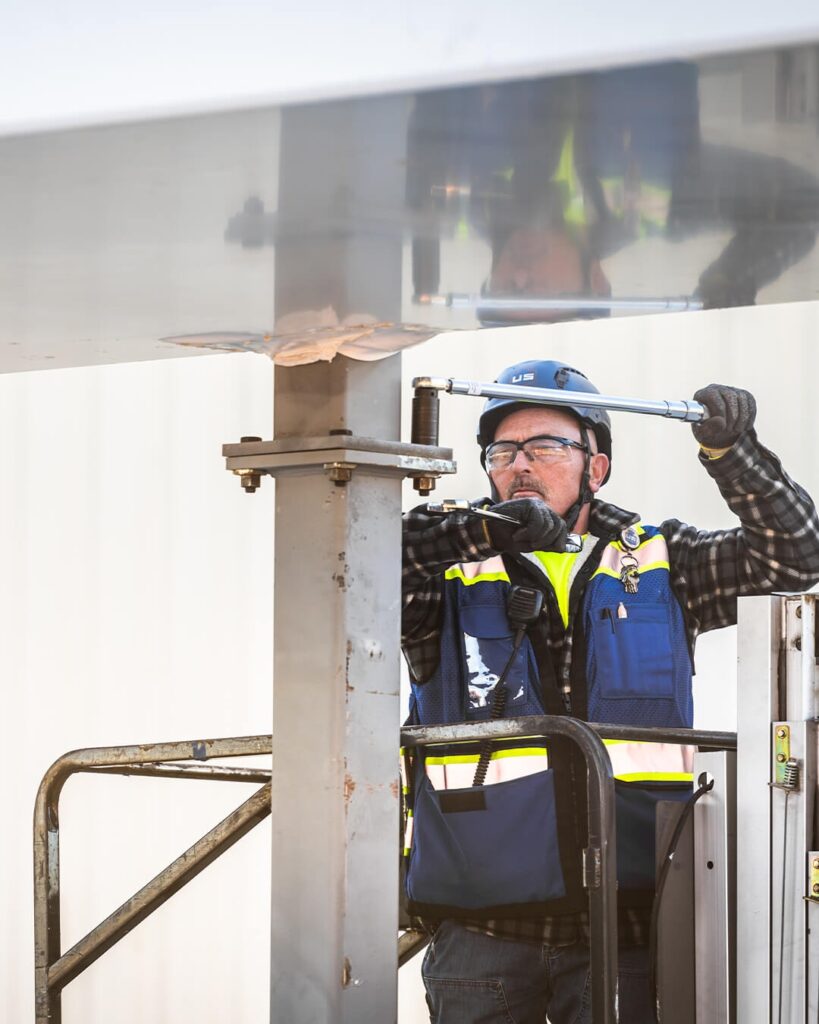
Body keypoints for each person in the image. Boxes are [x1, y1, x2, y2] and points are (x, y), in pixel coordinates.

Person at [401, 359, 819, 1023]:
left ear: (595, 468)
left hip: (628, 924)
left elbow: (792, 555)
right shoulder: (443, 568)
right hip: (481, 935)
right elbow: (357, 560)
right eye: (502, 450)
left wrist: (731, 453)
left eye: (544, 446)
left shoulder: (660, 560)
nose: (520, 465)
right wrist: (482, 530)